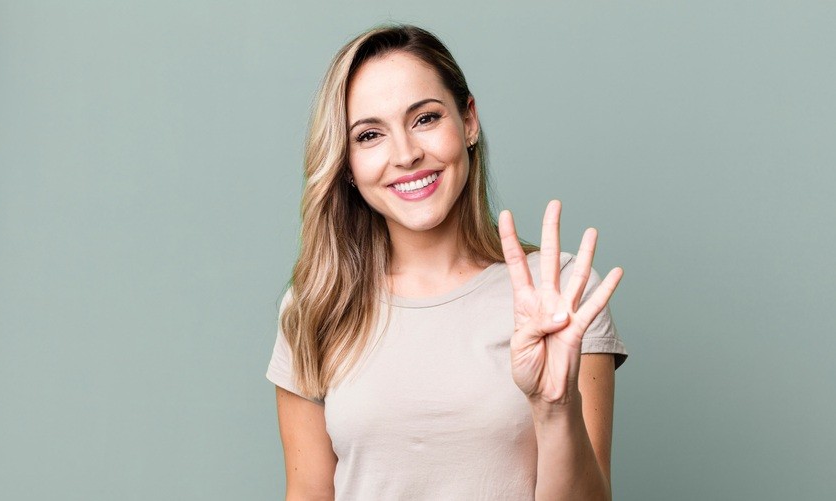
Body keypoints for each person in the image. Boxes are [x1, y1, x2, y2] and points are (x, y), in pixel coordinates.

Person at [266, 23, 628, 500]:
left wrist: (554, 407)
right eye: (370, 135)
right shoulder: (315, 306)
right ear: (347, 165)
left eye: (425, 119)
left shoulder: (556, 295)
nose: (407, 154)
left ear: (469, 121)